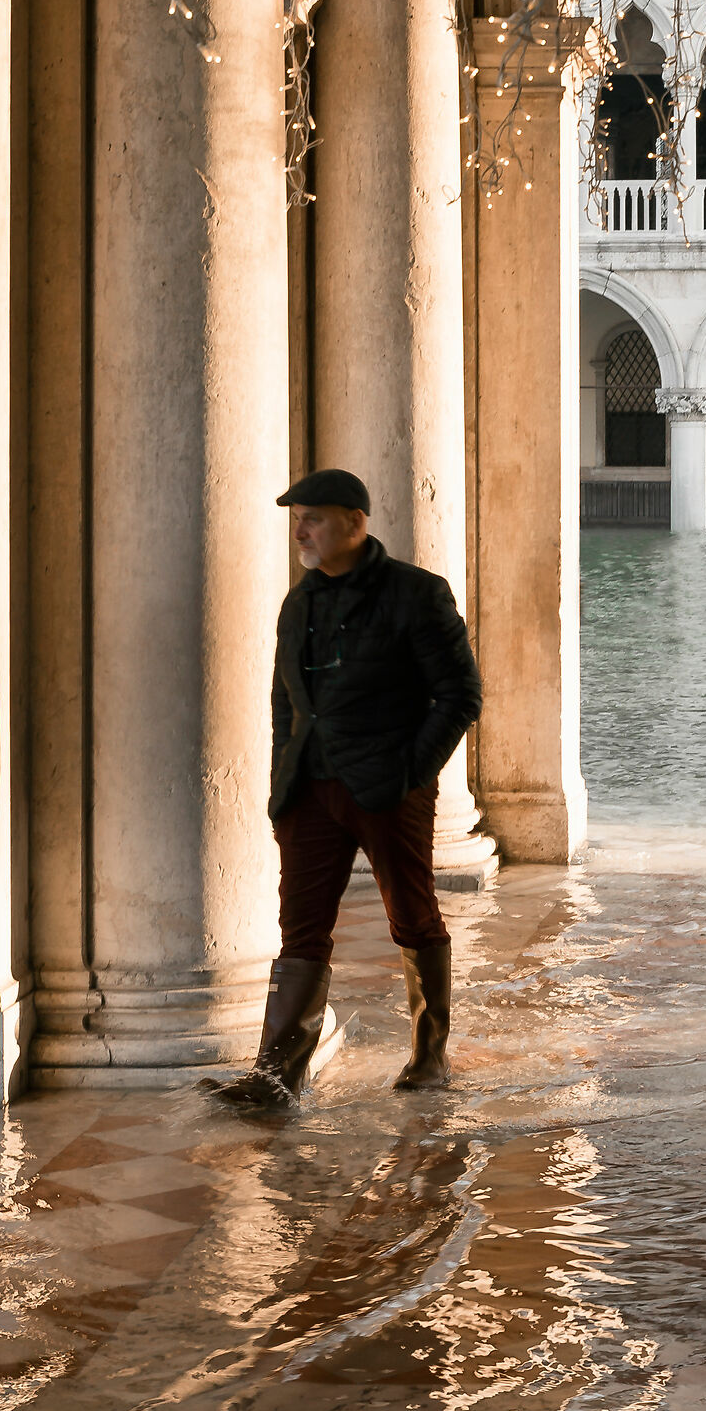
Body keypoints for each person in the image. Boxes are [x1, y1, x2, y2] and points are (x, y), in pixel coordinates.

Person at [207, 469, 483, 1109]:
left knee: (413, 917)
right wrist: (284, 768)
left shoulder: (418, 594)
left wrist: (411, 772)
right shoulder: (298, 602)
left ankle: (430, 1056)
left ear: (355, 523)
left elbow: (460, 694)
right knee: (300, 927)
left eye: (315, 518)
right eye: (297, 518)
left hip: (388, 788)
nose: (300, 530)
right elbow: (285, 700)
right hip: (310, 789)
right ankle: (277, 1077)